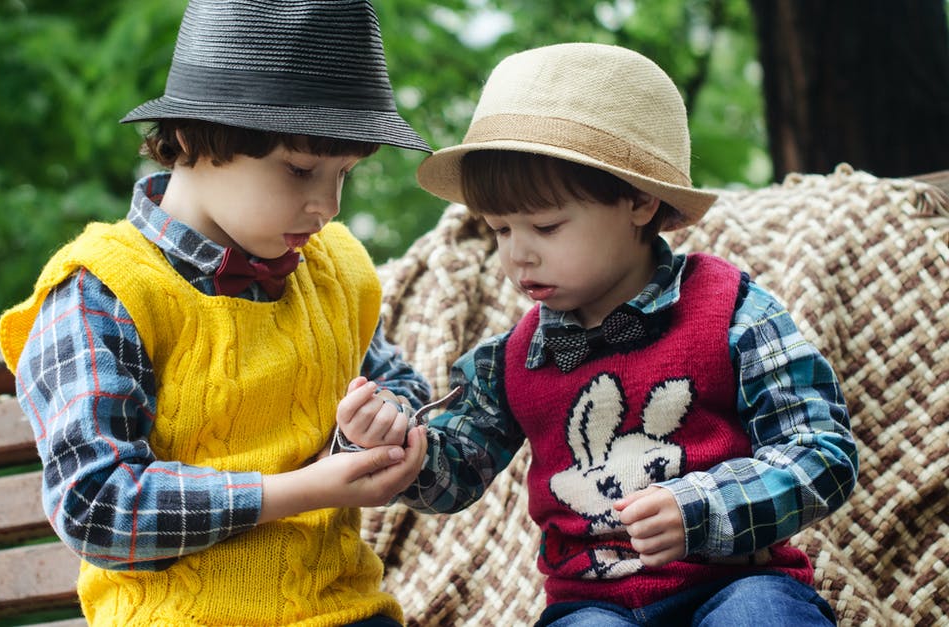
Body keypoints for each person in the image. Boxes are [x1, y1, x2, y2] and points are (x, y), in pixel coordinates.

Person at [336, 43, 858, 626]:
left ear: (639, 201)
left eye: (546, 225)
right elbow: (452, 475)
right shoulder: (513, 359)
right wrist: (393, 445)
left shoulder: (730, 309)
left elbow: (822, 451)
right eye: (500, 229)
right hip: (592, 605)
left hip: (737, 580)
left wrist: (700, 508)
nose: (518, 254)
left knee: (760, 618)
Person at [0, 1, 434, 625]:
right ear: (194, 137)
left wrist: (384, 425)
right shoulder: (104, 290)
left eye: (346, 175)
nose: (328, 205)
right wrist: (299, 492)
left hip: (347, 613)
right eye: (302, 169)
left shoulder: (336, 268)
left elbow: (400, 389)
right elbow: (96, 506)